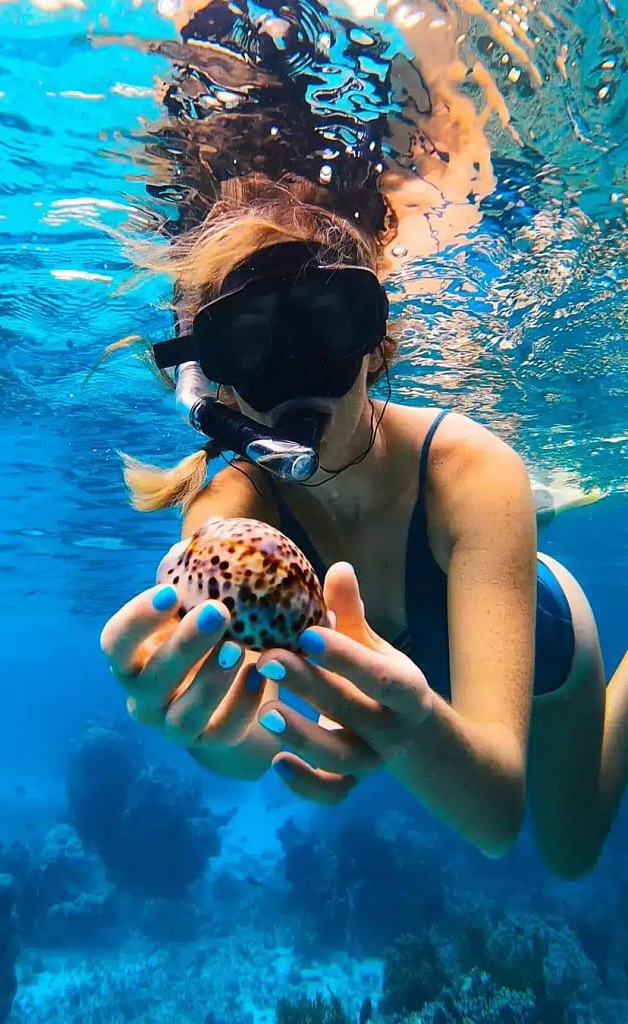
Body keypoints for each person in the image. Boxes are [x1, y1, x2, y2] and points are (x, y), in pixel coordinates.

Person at [99, 4, 628, 881]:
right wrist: (206, 725)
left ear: (376, 338)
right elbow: (236, 736)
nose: (298, 374)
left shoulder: (472, 470)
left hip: (543, 646)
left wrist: (406, 726)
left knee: (567, 852)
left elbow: (495, 815)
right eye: (250, 344)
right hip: (429, 681)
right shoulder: (231, 502)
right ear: (208, 378)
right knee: (567, 859)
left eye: (331, 321)